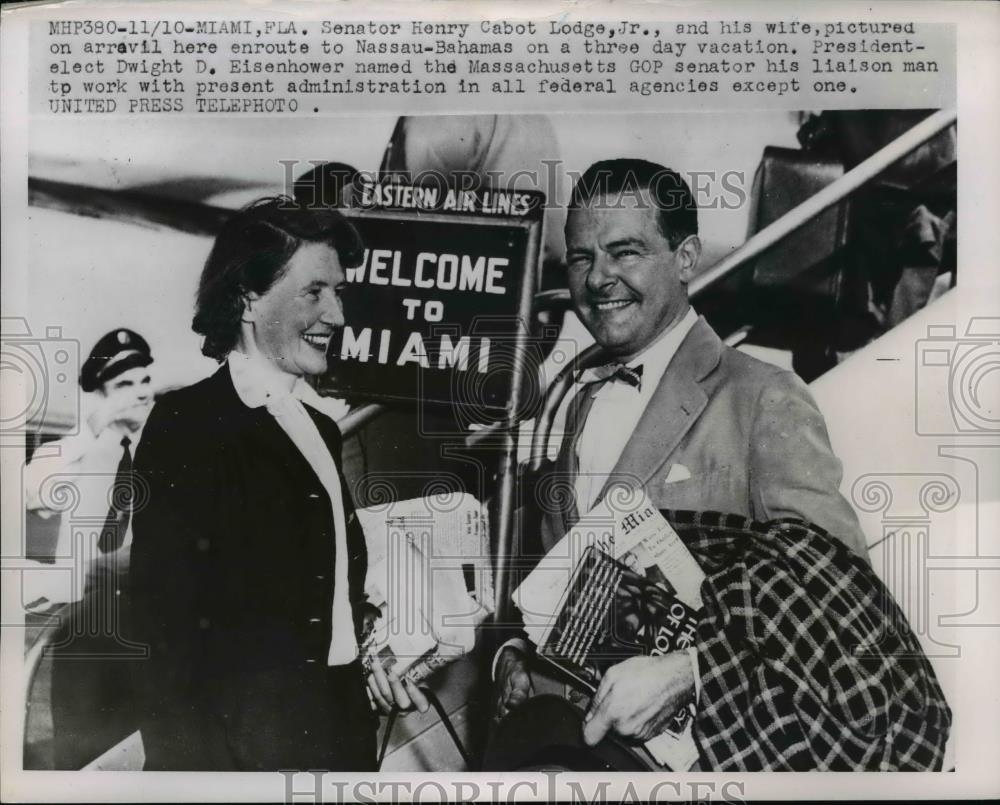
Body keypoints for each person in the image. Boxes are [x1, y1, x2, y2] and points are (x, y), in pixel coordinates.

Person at [495, 158, 872, 750]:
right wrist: (518, 654)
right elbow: (554, 572)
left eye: (626, 252)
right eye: (582, 257)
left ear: (687, 257)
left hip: (706, 757)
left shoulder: (763, 397)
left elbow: (838, 598)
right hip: (571, 745)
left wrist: (688, 673)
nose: (598, 279)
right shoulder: (570, 393)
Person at [129, 198, 426, 772]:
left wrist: (371, 650)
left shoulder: (314, 426)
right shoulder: (190, 424)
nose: (337, 316)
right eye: (314, 292)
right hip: (242, 758)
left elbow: (316, 591)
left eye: (338, 293)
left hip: (337, 735)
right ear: (248, 297)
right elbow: (160, 632)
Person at [24, 328, 154, 607]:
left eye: (145, 381)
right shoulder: (78, 452)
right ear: (99, 393)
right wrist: (93, 425)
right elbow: (33, 494)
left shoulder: (161, 452)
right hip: (81, 606)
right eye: (125, 385)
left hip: (143, 604)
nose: (142, 393)